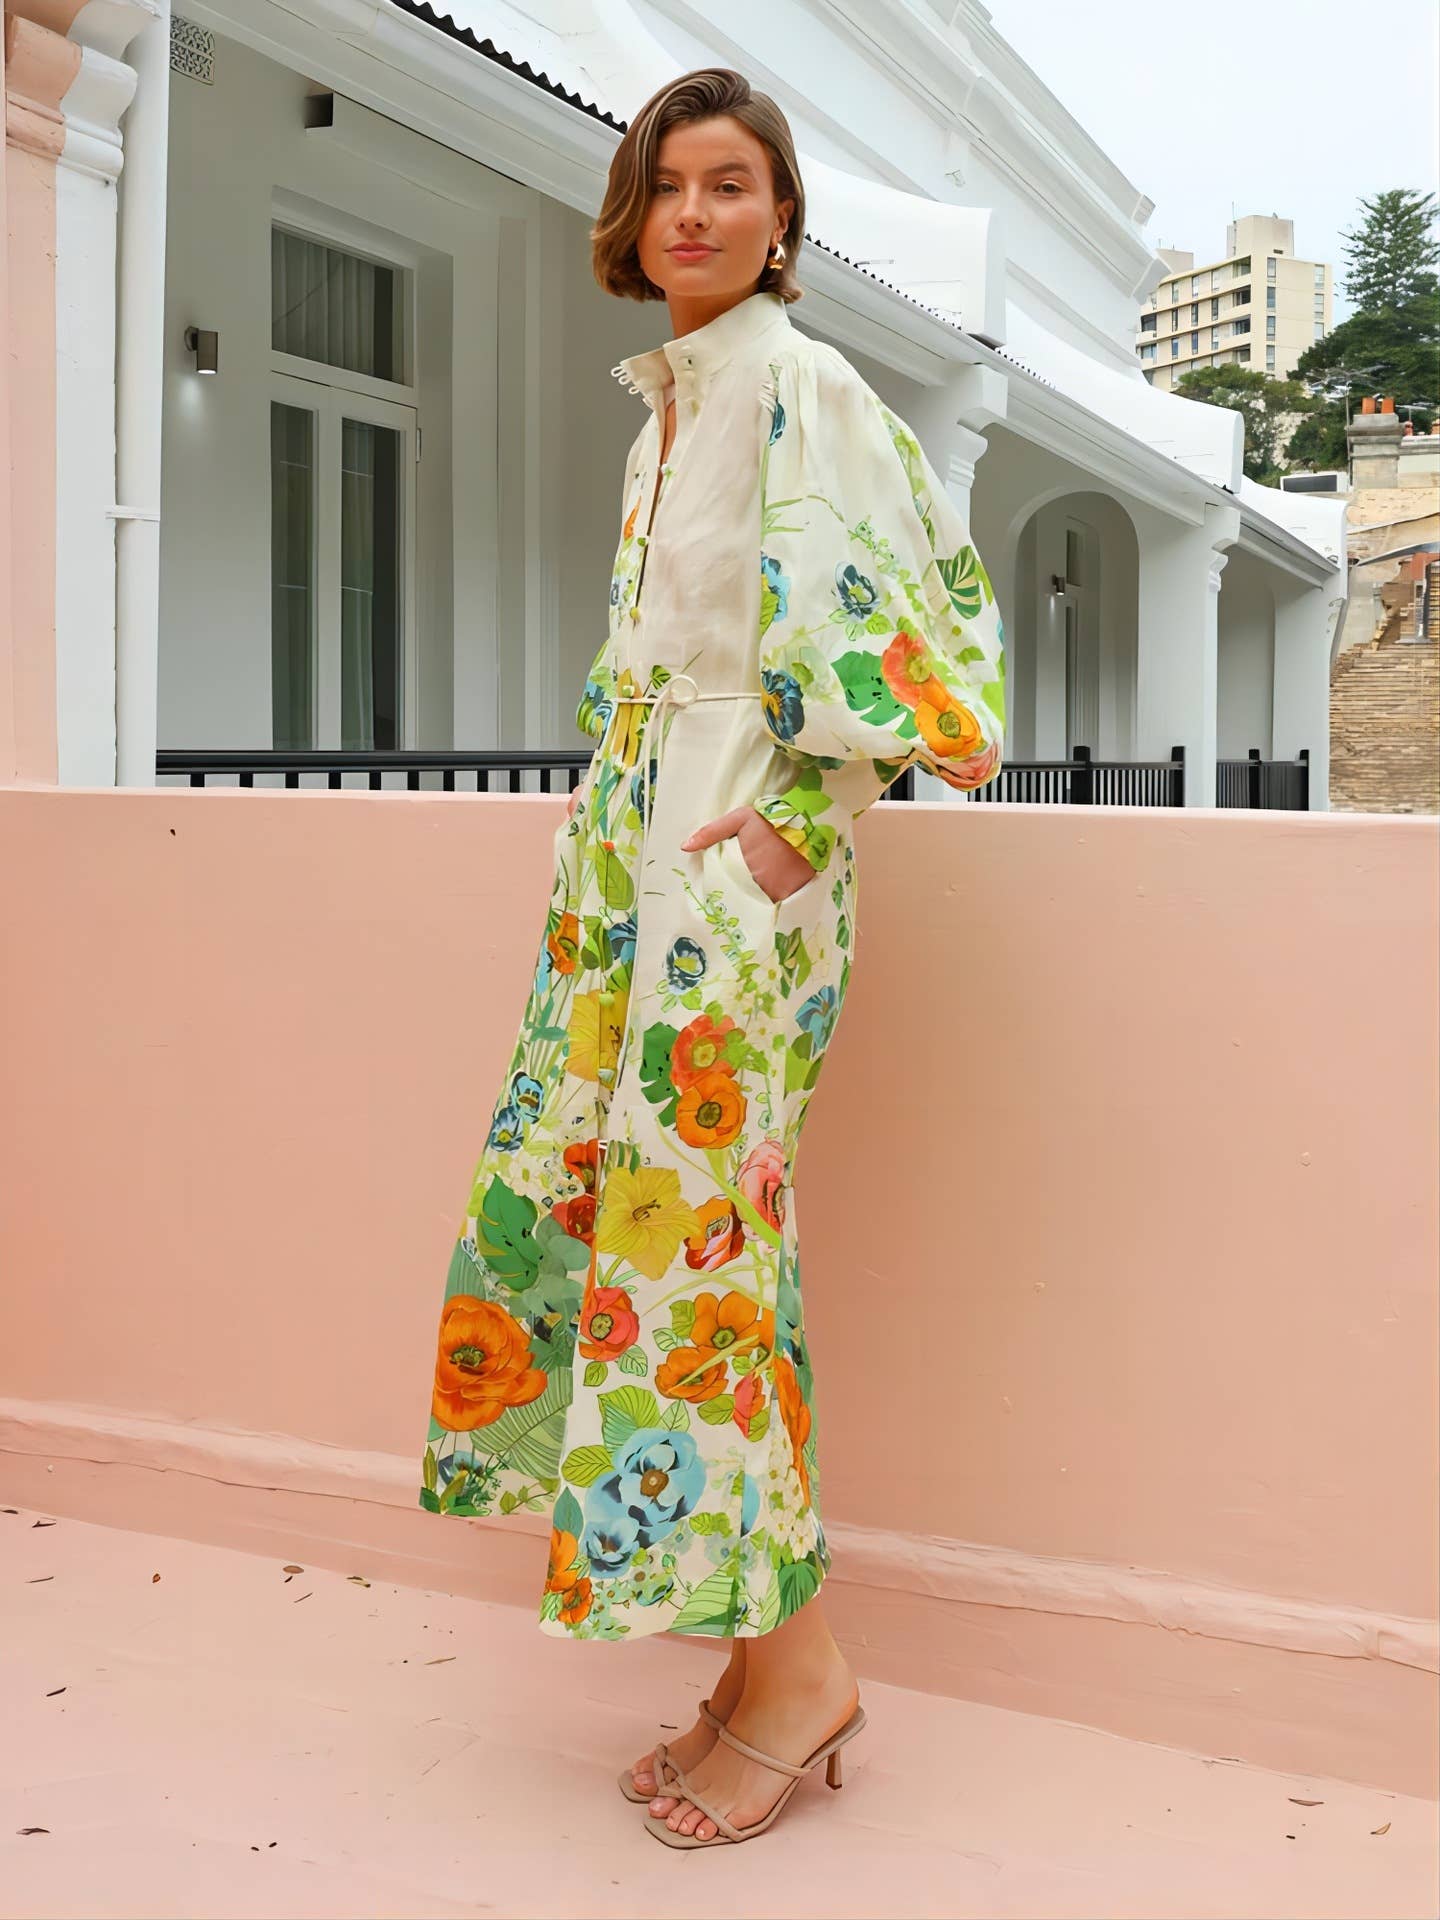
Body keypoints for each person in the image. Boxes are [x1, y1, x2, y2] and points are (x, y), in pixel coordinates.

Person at [417, 66, 1005, 1848]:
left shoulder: (806, 388)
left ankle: (803, 1675)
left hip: (734, 879)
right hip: (632, 866)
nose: (693, 212)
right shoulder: (669, 408)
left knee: (703, 1263)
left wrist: (798, 826)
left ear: (781, 215)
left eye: (730, 183)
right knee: (643, 1244)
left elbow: (927, 622)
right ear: (633, 211)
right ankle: (763, 1672)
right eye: (667, 182)